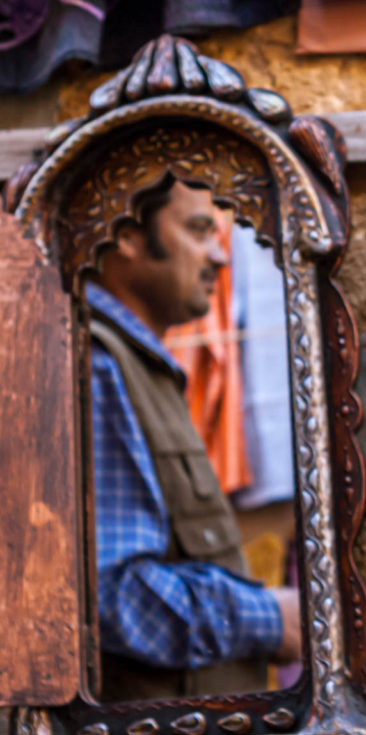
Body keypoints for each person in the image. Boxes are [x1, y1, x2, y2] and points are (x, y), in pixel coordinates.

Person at [86, 176, 301, 701]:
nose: (220, 257)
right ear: (127, 232)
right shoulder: (95, 364)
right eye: (200, 230)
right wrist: (269, 619)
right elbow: (104, 595)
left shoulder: (134, 360)